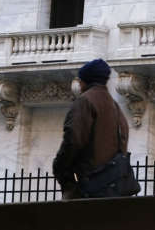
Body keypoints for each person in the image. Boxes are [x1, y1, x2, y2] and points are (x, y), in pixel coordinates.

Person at [52, 58, 130, 199]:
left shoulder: (85, 101)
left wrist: (59, 168)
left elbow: (73, 140)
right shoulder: (114, 105)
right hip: (113, 186)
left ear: (84, 81)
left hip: (88, 186)